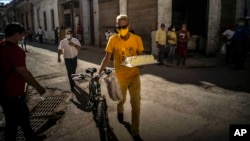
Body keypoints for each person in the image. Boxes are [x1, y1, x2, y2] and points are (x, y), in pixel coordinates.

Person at [97, 14, 144, 141]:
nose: (121, 28)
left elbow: (141, 55)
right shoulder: (112, 40)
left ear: (129, 25)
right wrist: (98, 73)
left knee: (136, 104)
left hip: (134, 76)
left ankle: (135, 131)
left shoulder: (137, 39)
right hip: (120, 77)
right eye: (118, 27)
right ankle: (120, 109)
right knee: (121, 100)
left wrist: (140, 62)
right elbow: (107, 58)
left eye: (124, 26)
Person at [0, 23, 46, 141]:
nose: (22, 37)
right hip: (13, 93)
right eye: (21, 35)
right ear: (16, 35)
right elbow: (23, 72)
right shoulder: (15, 50)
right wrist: (38, 87)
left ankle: (31, 137)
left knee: (23, 118)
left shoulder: (2, 45)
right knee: (13, 123)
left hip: (3, 92)